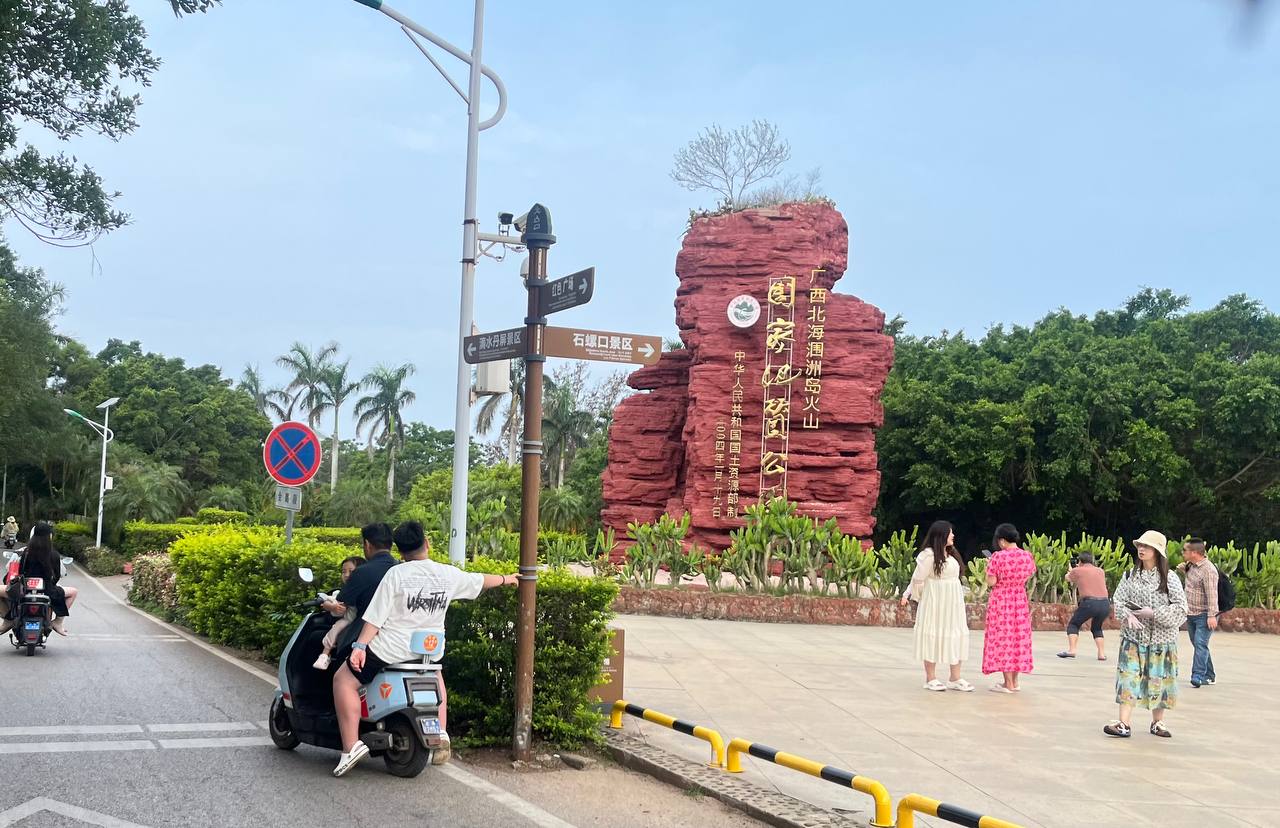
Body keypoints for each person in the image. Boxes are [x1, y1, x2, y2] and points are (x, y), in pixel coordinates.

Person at [331, 521, 518, 777]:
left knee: (343, 680)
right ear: (426, 543)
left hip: (392, 650)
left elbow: (374, 618)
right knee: (435, 673)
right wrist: (508, 579)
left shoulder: (396, 575)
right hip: (429, 650)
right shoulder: (447, 574)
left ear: (401, 551)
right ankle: (440, 731)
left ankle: (351, 747)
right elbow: (481, 580)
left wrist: (360, 646)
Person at [1104, 530, 1187, 739]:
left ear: (1157, 551)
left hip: (1161, 640)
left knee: (1160, 679)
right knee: (1127, 677)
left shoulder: (1170, 578)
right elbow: (1119, 600)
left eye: (1147, 546)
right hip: (1133, 638)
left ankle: (1158, 722)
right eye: (1140, 545)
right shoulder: (1130, 575)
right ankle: (1124, 723)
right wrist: (1126, 615)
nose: (1142, 549)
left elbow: (1181, 608)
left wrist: (1155, 613)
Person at [900, 520, 973, 692]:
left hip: (953, 602)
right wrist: (910, 595)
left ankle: (955, 677)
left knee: (955, 633)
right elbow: (918, 579)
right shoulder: (929, 556)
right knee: (933, 633)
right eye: (950, 533)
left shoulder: (951, 553)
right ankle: (930, 677)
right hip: (935, 601)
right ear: (941, 536)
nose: (953, 535)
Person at [329, 523, 399, 656]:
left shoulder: (362, 572)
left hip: (363, 635)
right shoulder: (401, 568)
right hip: (396, 636)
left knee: (318, 639)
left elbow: (342, 603)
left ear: (367, 544)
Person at [982, 523, 1036, 693]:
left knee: (1004, 638)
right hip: (1019, 600)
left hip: (1002, 600)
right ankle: (1015, 681)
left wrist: (987, 568)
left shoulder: (997, 557)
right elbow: (1029, 575)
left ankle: (1008, 684)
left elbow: (992, 582)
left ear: (1003, 541)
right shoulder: (1027, 557)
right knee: (1018, 638)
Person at [1, 523, 77, 636]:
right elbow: (56, 576)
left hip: (22, 591)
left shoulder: (25, 552)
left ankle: (8, 620)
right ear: (49, 536)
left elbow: (19, 572)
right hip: (47, 592)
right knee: (73, 592)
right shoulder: (54, 555)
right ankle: (58, 622)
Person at [1176, 538, 1218, 688]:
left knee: (1200, 644)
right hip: (1191, 613)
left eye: (1185, 550)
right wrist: (1184, 569)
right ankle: (1210, 675)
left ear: (1194, 553)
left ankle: (1197, 676)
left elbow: (1212, 594)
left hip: (1204, 615)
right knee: (1199, 645)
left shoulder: (1208, 570)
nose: (1182, 553)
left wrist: (1212, 615)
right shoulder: (1191, 566)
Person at [312, 556, 364, 670]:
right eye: (343, 571)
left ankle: (325, 654)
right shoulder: (347, 589)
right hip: (355, 621)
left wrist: (329, 606)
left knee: (336, 628)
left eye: (351, 571)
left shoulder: (353, 590)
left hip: (350, 620)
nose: (346, 575)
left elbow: (338, 611)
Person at [1059, 552, 1112, 661]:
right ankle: (1101, 654)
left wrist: (1071, 570)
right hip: (1105, 604)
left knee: (1074, 624)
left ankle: (1072, 650)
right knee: (1097, 627)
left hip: (1089, 602)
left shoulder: (1077, 570)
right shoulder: (1100, 571)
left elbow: (1067, 578)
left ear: (1080, 561)